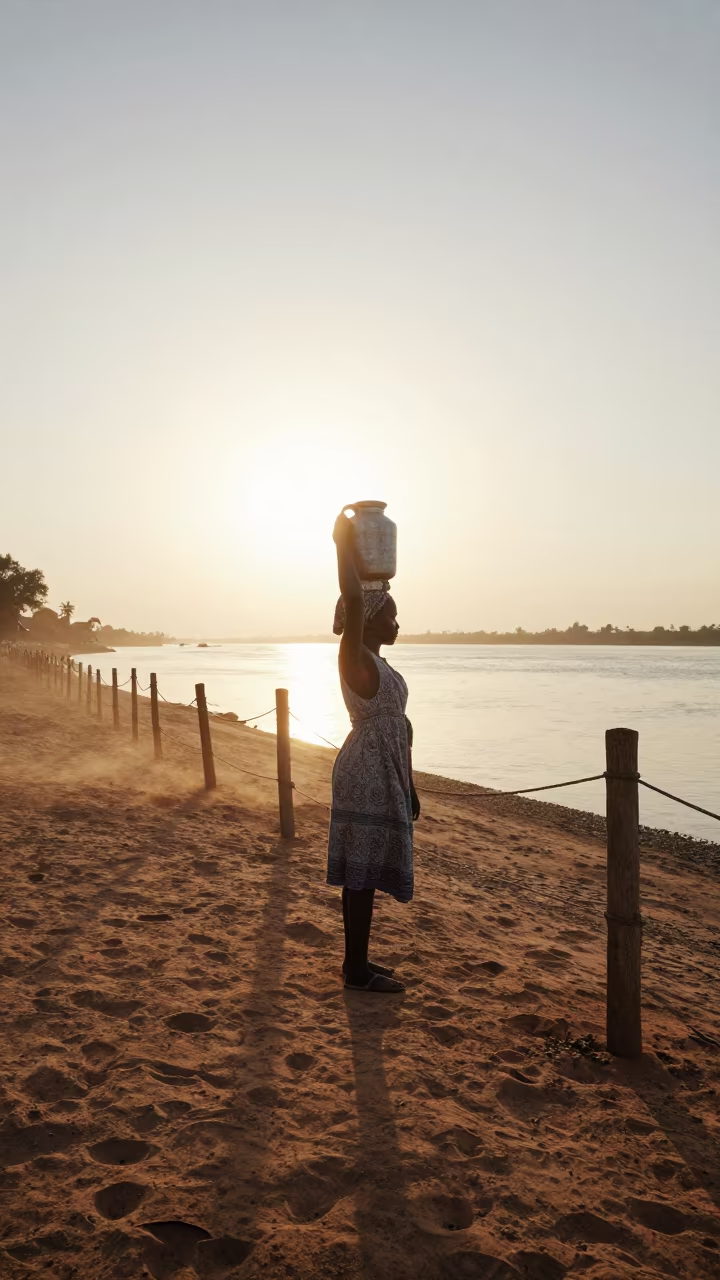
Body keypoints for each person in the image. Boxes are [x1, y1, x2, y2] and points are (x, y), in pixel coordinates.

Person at [327, 510, 420, 993]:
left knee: (366, 871)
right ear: (370, 617)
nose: (398, 621)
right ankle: (356, 970)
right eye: (391, 614)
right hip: (365, 769)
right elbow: (350, 597)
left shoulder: (382, 665)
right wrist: (343, 544)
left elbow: (401, 728)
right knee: (359, 874)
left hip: (387, 771)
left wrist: (411, 785)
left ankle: (357, 962)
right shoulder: (356, 657)